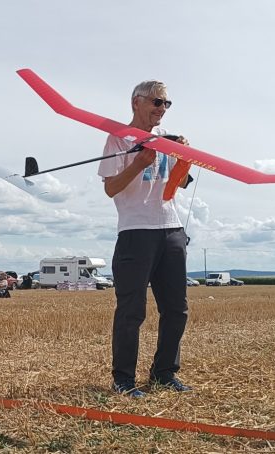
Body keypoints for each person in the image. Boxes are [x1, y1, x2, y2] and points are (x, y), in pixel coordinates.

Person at [97, 81, 192, 398]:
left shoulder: (167, 141)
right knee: (131, 310)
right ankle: (123, 379)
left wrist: (184, 157)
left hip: (172, 228)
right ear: (136, 102)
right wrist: (138, 163)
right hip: (135, 232)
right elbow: (111, 188)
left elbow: (179, 185)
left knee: (176, 309)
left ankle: (165, 373)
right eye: (156, 102)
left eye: (166, 103)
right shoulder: (117, 138)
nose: (161, 108)